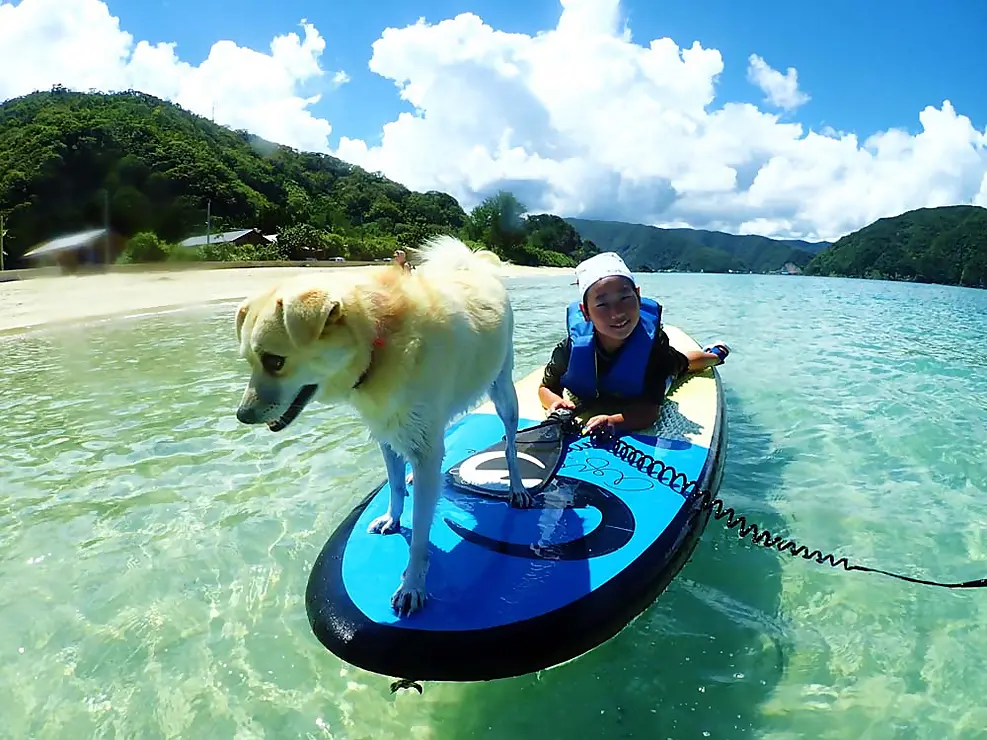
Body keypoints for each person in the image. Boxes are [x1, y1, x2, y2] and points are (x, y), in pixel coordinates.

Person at [538, 252, 730, 435]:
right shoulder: (570, 348)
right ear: (585, 312)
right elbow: (545, 388)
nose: (617, 313)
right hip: (600, 386)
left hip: (658, 366)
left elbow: (650, 411)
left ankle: (715, 355)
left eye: (625, 298)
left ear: (638, 296)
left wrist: (614, 421)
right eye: (602, 304)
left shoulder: (654, 347)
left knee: (682, 364)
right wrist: (556, 402)